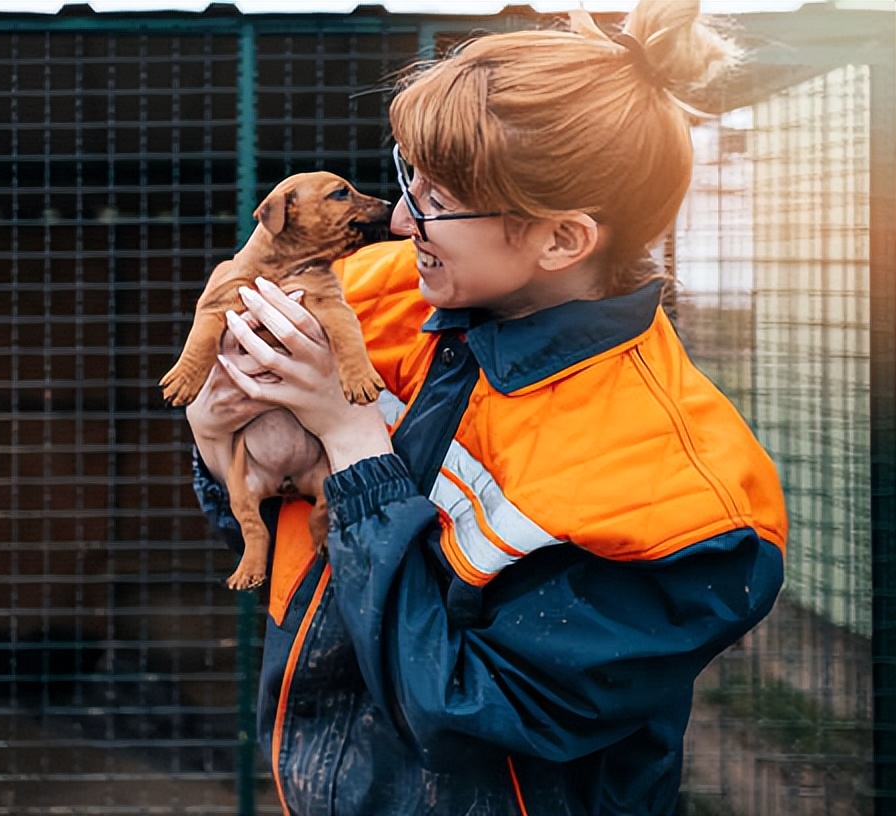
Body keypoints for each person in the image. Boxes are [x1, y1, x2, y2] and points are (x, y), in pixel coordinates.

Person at [185, 1, 787, 813]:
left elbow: (464, 713)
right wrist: (217, 440)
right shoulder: (376, 297)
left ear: (562, 240)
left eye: (434, 198)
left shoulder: (685, 499)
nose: (398, 218)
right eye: (407, 173)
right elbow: (298, 556)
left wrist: (355, 443)